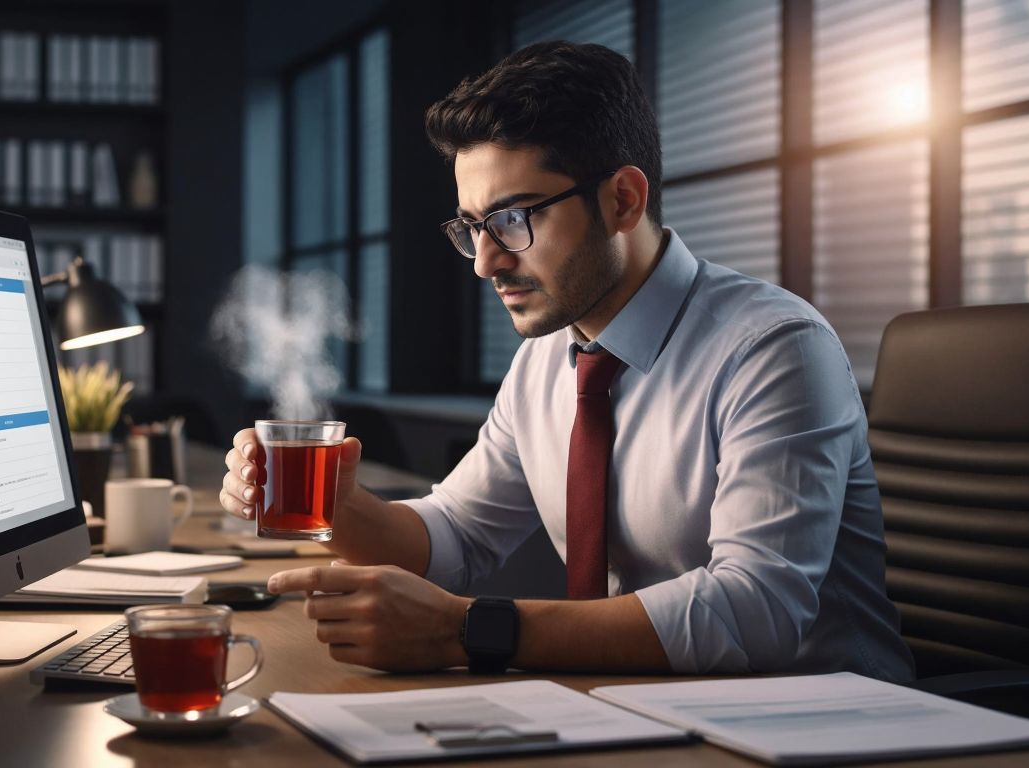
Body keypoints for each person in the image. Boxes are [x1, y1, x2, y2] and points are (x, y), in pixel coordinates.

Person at [220, 41, 914, 681]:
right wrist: (341, 510)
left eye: (514, 219)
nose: (485, 262)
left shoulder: (774, 349)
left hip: (819, 727)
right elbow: (458, 534)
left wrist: (465, 630)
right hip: (633, 711)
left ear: (622, 201)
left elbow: (755, 612)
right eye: (473, 227)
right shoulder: (547, 358)